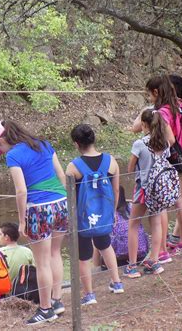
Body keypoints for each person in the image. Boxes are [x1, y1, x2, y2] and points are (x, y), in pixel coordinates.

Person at [0, 120, 67, 325]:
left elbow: (21, 190)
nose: (1, 152)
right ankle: (56, 300)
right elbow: (61, 175)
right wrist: (66, 200)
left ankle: (45, 309)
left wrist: (22, 221)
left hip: (38, 209)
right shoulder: (44, 143)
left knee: (41, 263)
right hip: (60, 203)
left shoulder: (14, 155)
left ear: (3, 139)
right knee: (55, 253)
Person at [66, 124, 124, 305]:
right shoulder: (111, 161)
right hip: (104, 213)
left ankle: (89, 295)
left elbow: (70, 198)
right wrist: (112, 212)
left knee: (83, 256)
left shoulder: (73, 167)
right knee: (105, 245)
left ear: (76, 144)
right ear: (93, 139)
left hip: (83, 218)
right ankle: (117, 283)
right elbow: (116, 191)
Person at [147, 75, 182, 254]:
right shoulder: (180, 105)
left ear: (155, 92)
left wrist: (158, 149)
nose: (149, 99)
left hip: (169, 161)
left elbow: (170, 138)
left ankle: (161, 251)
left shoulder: (162, 112)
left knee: (162, 205)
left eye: (149, 95)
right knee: (180, 200)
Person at [124, 109, 173, 278]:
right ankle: (154, 260)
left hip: (143, 189)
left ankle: (131, 266)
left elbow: (130, 169)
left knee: (133, 224)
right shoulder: (165, 143)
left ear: (144, 125)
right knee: (156, 223)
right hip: (160, 189)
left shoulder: (139, 144)